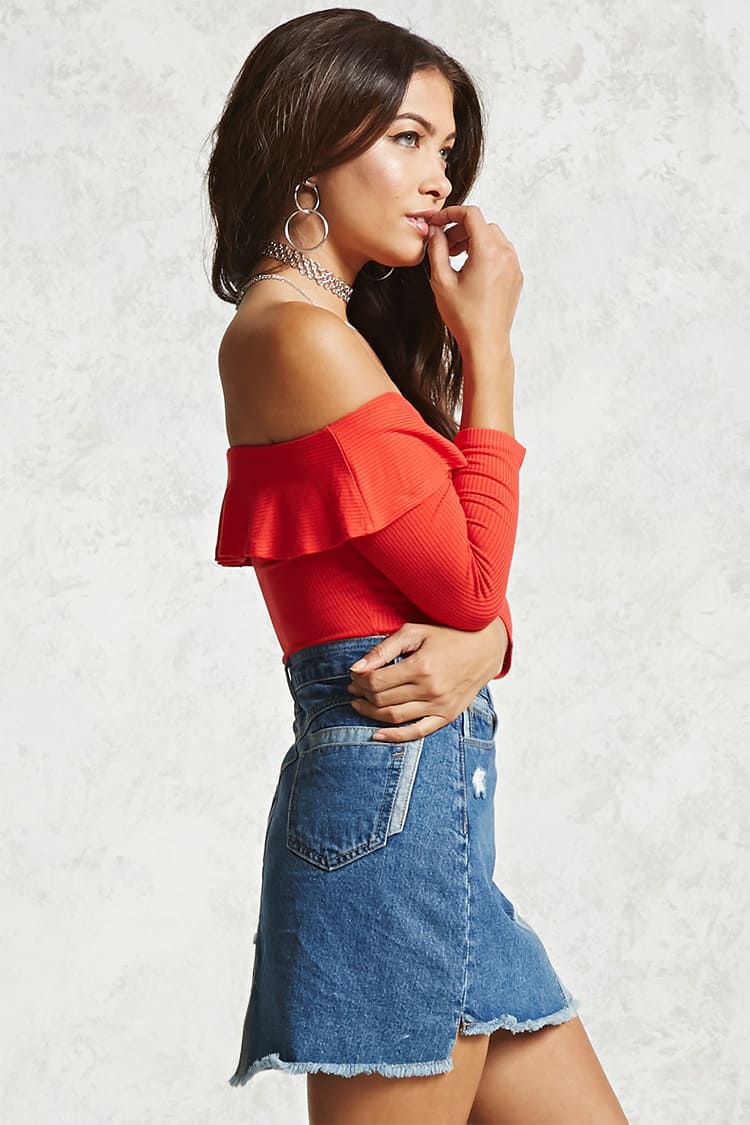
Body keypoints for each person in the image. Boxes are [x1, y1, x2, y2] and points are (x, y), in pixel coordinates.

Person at [206, 9, 628, 1123]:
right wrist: (489, 345)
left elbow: (458, 596)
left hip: (434, 819)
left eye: (445, 147)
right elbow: (472, 588)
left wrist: (485, 644)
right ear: (309, 147)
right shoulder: (296, 337)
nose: (439, 176)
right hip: (388, 818)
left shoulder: (337, 339)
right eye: (406, 138)